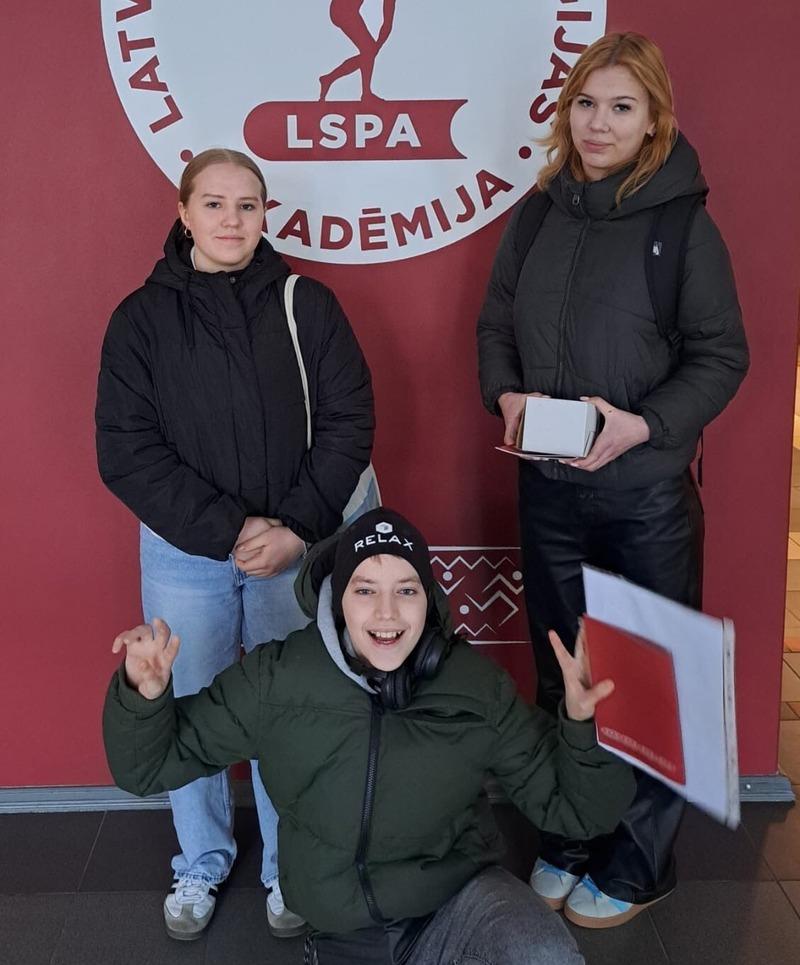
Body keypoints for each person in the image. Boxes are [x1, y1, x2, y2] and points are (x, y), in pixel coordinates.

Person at [477, 32, 749, 927]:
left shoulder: (682, 227)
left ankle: (639, 863)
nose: (599, 124)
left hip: (645, 497)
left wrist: (643, 425)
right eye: (587, 104)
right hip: (550, 490)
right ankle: (569, 834)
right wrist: (506, 394)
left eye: (621, 107)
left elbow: (722, 355)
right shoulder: (538, 214)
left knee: (648, 678)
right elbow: (495, 324)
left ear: (654, 120)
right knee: (565, 669)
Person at [103, 508, 635, 964]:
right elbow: (147, 767)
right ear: (338, 602)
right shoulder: (277, 680)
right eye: (365, 590)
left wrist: (583, 728)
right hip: (342, 927)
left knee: (544, 954)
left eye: (406, 590)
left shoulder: (476, 687)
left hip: (456, 901)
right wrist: (142, 697)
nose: (387, 613)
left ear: (428, 601)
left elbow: (580, 812)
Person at [95, 147, 375, 940]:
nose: (230, 219)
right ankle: (202, 860)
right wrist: (228, 529)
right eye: (213, 204)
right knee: (188, 703)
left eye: (247, 205)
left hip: (294, 550)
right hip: (185, 553)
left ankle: (291, 867)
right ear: (184, 214)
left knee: (293, 708)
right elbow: (126, 449)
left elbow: (350, 420)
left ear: (264, 215)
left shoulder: (307, 305)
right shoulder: (139, 320)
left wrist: (294, 528)